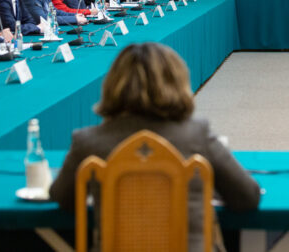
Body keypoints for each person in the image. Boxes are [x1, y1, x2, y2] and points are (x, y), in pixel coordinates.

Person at [49, 43, 261, 251]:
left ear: (112, 86)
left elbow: (63, 199)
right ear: (177, 82)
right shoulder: (197, 134)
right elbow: (247, 197)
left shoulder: (88, 142)